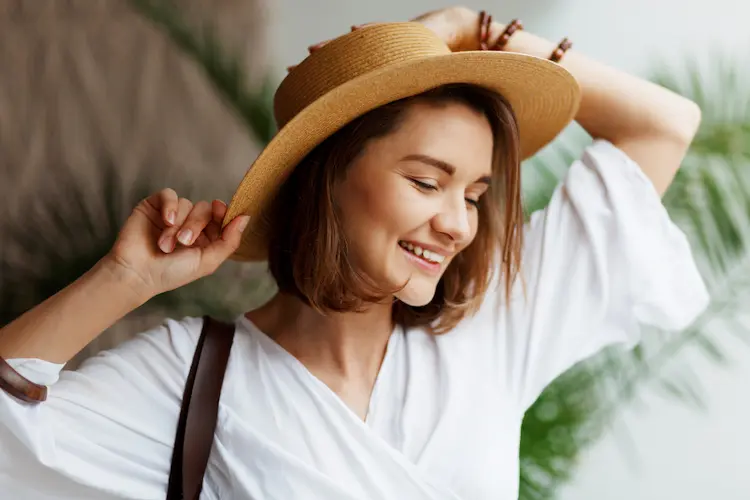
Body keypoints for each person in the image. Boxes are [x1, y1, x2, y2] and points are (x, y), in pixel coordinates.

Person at [0, 6, 709, 500]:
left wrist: (469, 29)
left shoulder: (495, 324)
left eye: (474, 193)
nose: (459, 224)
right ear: (328, 178)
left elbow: (664, 125)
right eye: (428, 182)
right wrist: (123, 279)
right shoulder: (193, 378)